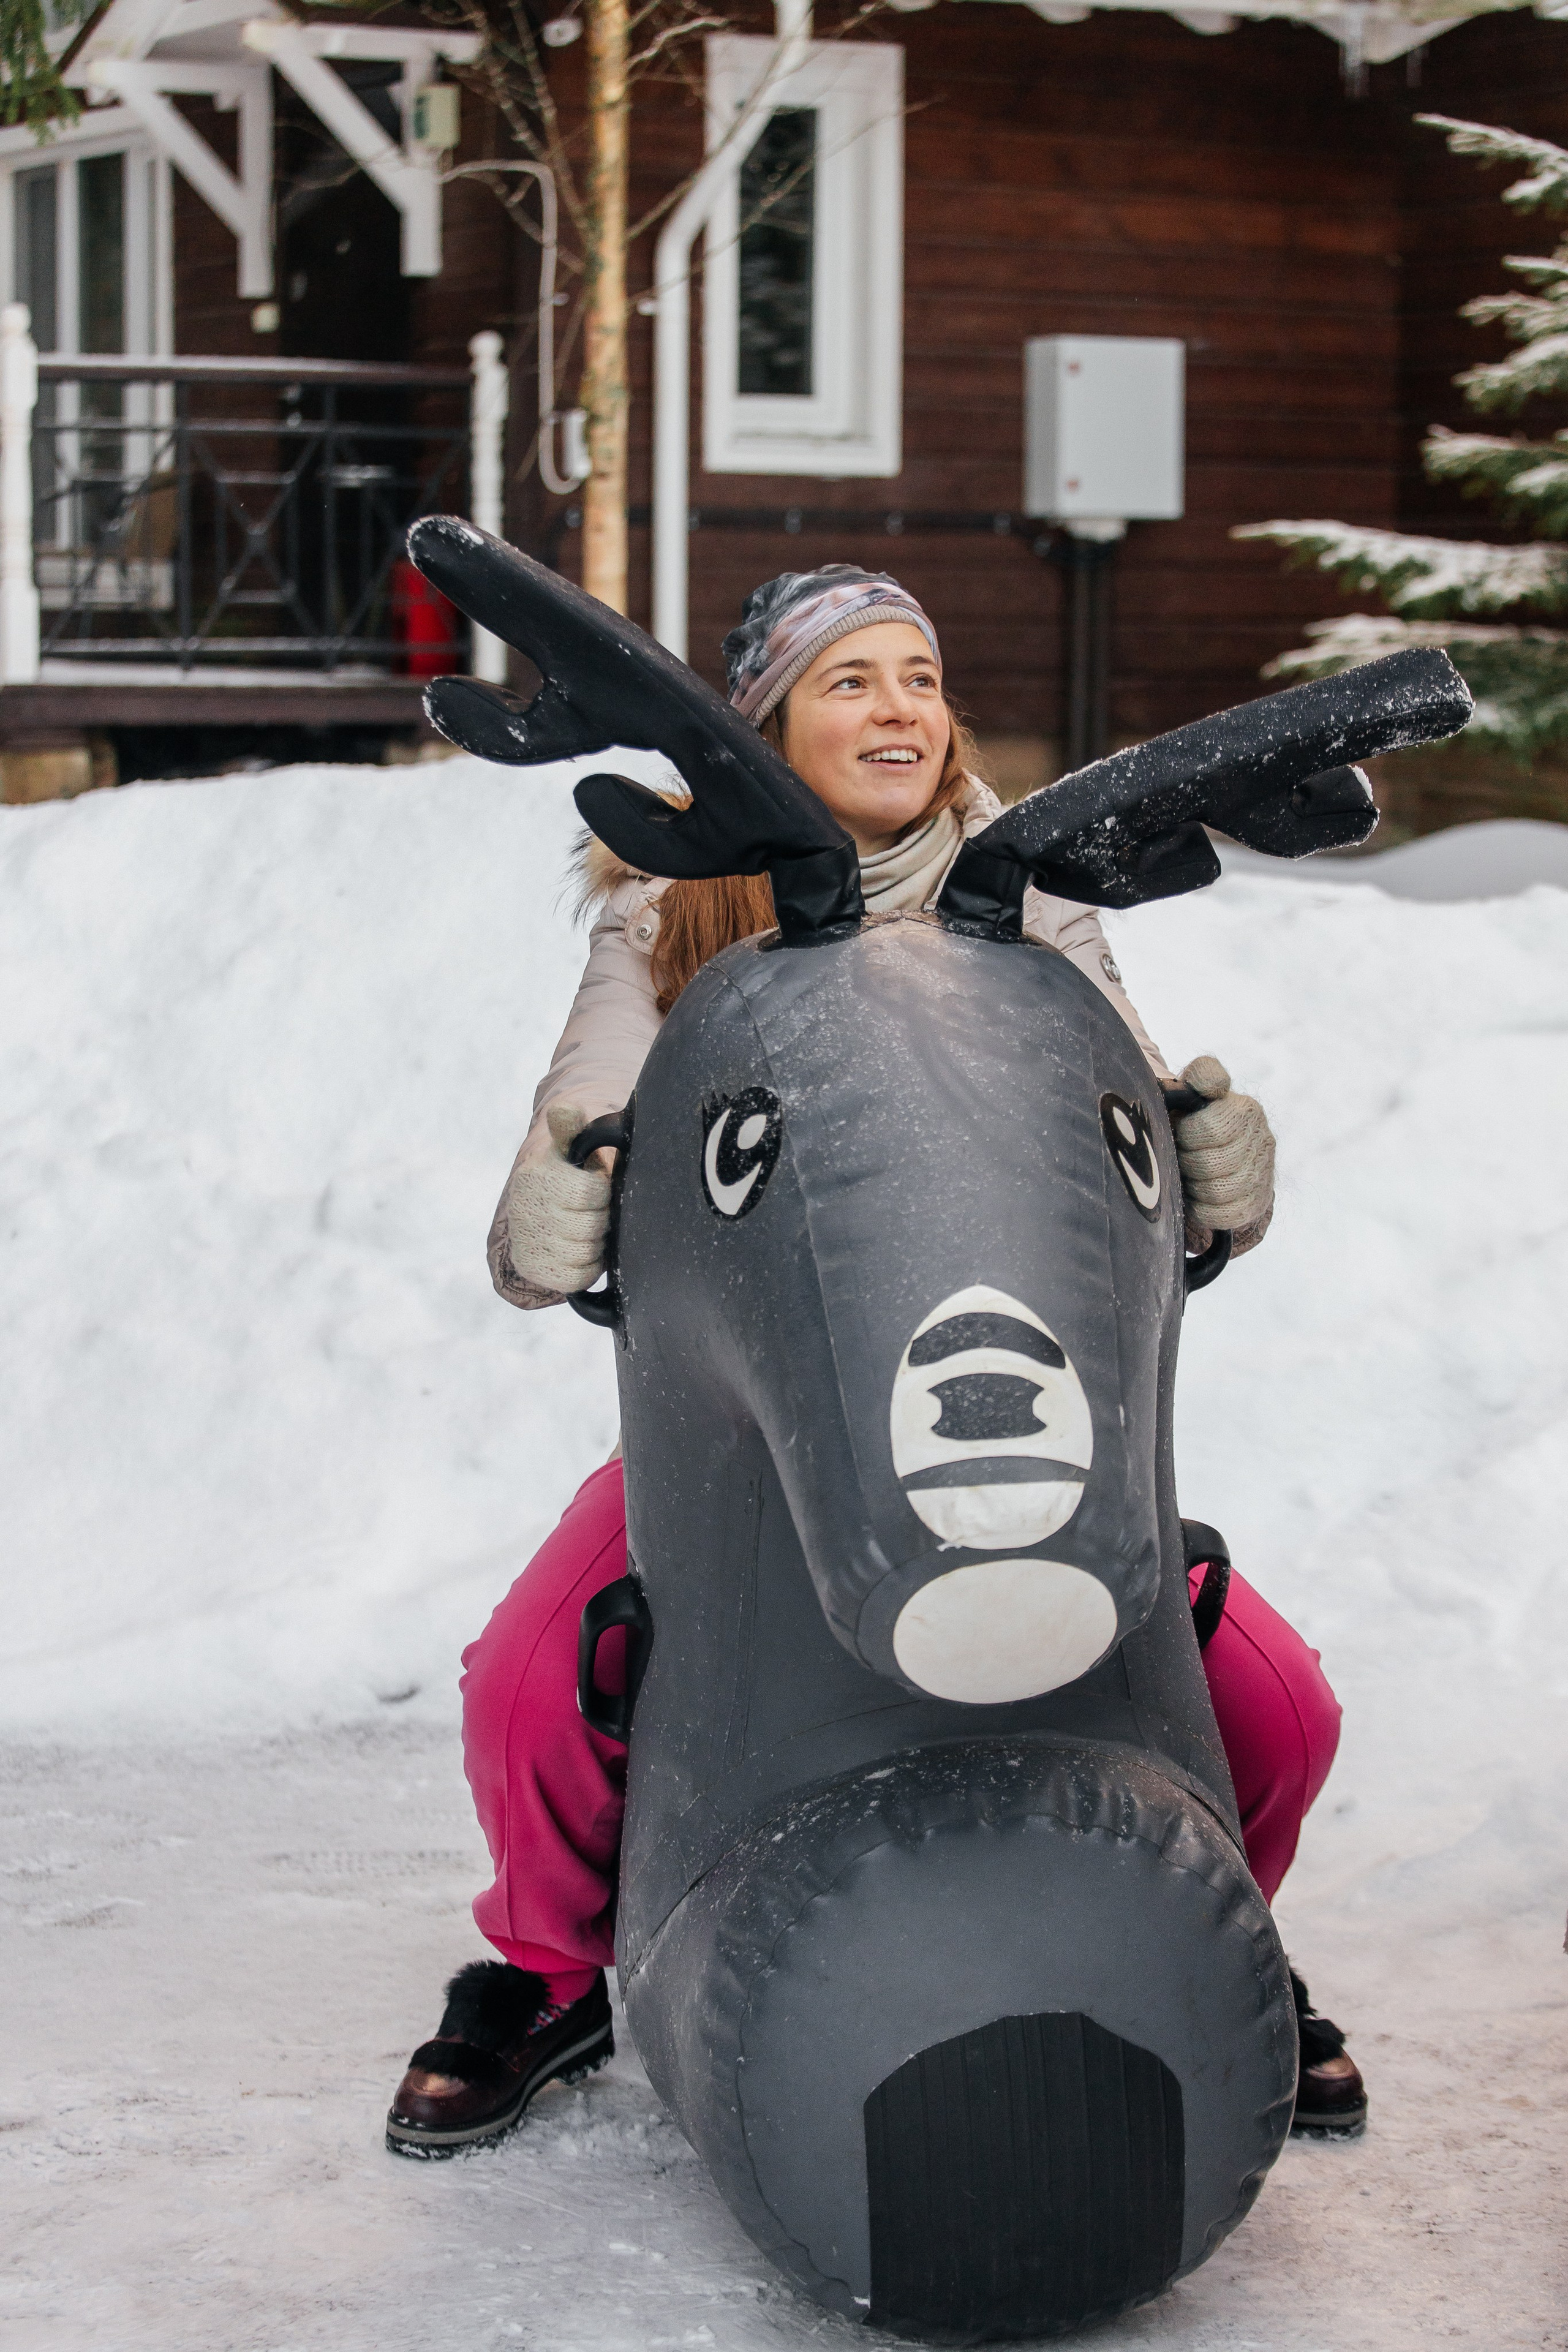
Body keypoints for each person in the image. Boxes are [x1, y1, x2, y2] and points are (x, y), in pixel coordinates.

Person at [385, 565, 1365, 2160]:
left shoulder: (1035, 900)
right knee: (533, 1684)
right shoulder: (665, 920)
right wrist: (559, 1205)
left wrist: (1210, 1185)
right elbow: (561, 1178)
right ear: (767, 720)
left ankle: (1212, 1928)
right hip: (760, 1438)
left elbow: (1115, 1162)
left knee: (1273, 1701)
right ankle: (544, 1971)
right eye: (850, 680)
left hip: (1009, 1407)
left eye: (918, 674)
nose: (899, 707)